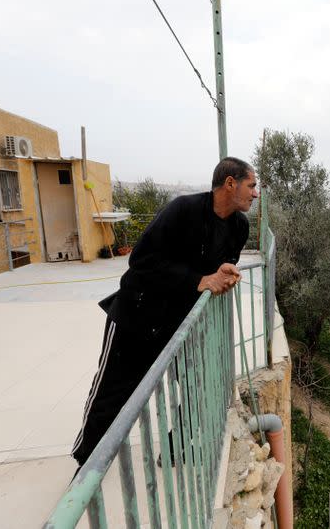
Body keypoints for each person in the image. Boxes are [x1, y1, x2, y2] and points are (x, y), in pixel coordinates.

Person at [71, 156, 259, 466]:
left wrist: (225, 271)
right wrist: (200, 280)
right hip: (137, 317)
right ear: (230, 184)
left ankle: (173, 450)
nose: (255, 194)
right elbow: (141, 261)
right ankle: (86, 465)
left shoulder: (239, 226)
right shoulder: (183, 210)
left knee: (199, 388)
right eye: (251, 186)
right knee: (111, 394)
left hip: (180, 324)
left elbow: (219, 267)